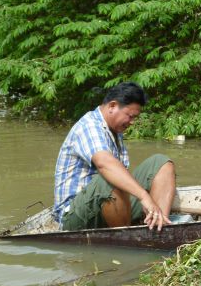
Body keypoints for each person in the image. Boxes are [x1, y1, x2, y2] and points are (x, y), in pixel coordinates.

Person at [53, 82, 175, 231]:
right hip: (74, 217)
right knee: (110, 178)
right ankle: (127, 239)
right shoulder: (89, 126)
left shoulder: (115, 131)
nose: (132, 122)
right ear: (112, 106)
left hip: (105, 207)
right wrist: (144, 196)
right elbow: (105, 164)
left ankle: (159, 226)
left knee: (161, 163)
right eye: (130, 116)